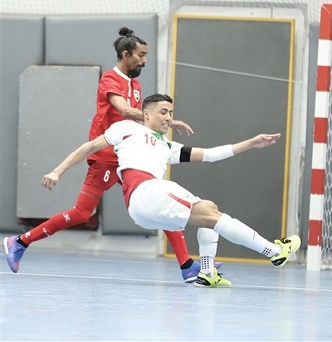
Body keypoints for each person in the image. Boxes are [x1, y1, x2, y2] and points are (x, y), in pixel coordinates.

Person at [39, 93, 301, 287]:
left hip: (147, 203)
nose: (168, 117)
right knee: (211, 215)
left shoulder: (167, 146)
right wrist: (57, 171)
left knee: (209, 208)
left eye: (171, 112)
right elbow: (89, 147)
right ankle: (274, 251)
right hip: (145, 191)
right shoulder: (126, 128)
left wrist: (251, 143)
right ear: (146, 114)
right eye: (163, 112)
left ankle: (207, 273)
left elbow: (211, 155)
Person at [3, 28, 201, 283]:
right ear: (126, 54)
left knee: (157, 203)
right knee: (81, 213)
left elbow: (139, 122)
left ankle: (187, 266)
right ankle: (20, 241)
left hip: (128, 156)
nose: (145, 60)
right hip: (106, 157)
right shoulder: (110, 78)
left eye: (146, 55)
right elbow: (125, 110)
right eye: (141, 55)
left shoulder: (136, 84)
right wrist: (168, 121)